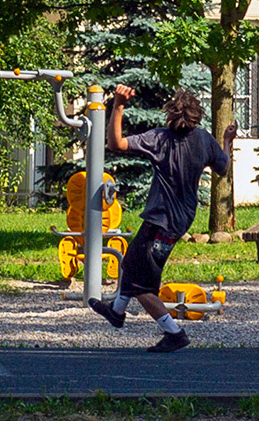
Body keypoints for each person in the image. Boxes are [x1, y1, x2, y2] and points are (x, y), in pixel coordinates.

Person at [89, 83, 236, 353]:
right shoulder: (204, 139)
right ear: (196, 116)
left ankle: (174, 333)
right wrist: (227, 141)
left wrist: (118, 105)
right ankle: (117, 312)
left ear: (170, 115)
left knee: (142, 286)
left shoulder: (160, 139)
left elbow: (116, 143)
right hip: (180, 220)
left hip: (161, 221)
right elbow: (223, 168)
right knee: (132, 261)